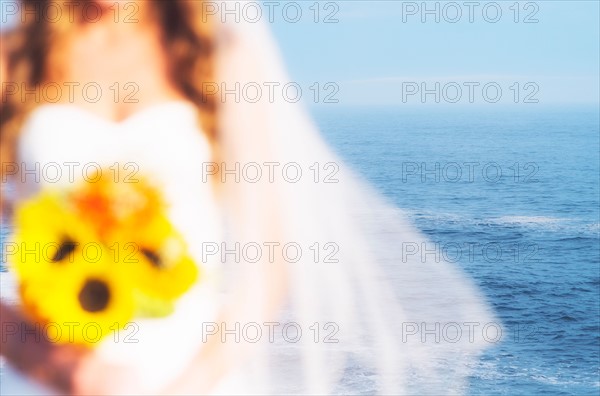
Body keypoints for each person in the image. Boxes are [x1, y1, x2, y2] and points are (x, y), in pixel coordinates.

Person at [0, 1, 496, 394]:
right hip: (43, 371)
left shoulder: (221, 58)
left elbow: (268, 265)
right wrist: (56, 369)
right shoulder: (13, 61)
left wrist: (184, 388)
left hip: (187, 373)